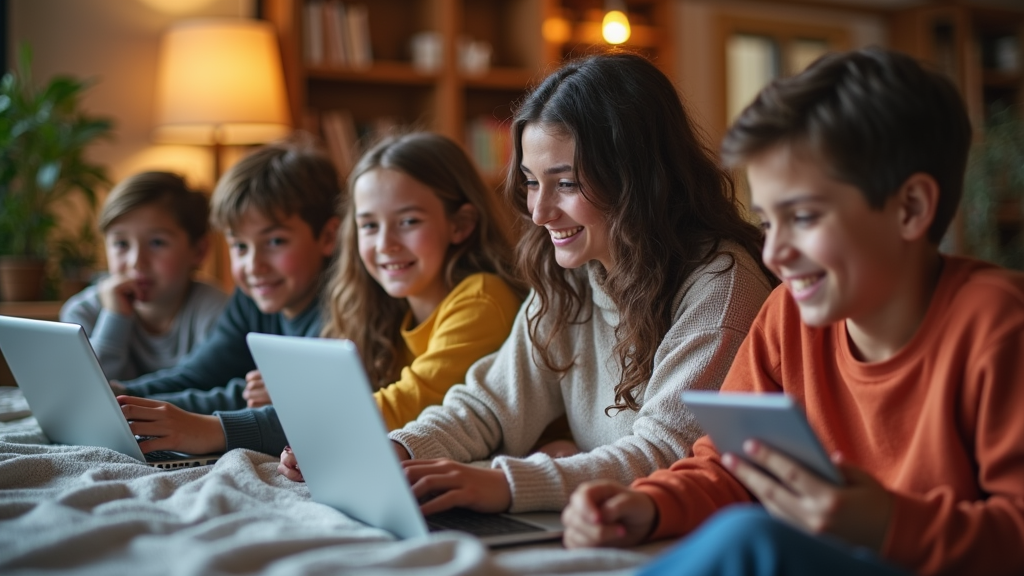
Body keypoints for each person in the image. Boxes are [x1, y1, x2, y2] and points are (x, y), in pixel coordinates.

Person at [560, 47, 1024, 576]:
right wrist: (649, 505)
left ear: (911, 208)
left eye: (803, 217)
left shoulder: (998, 323)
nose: (775, 253)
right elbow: (730, 467)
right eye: (767, 221)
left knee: (751, 540)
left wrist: (889, 524)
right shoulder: (788, 317)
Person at [294, 51, 773, 516]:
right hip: (597, 521)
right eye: (530, 181)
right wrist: (394, 449)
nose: (539, 212)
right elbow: (489, 406)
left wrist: (505, 484)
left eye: (565, 183)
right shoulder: (575, 276)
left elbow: (667, 454)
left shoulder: (721, 287)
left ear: (637, 179)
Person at [115, 138, 341, 456]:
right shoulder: (253, 298)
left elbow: (322, 419)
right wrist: (123, 395)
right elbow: (201, 374)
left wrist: (210, 428)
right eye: (240, 246)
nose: (254, 266)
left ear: (328, 237)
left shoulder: (345, 311)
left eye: (275, 241)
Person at [60, 171, 228, 381]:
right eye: (121, 244)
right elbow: (84, 391)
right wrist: (115, 318)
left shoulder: (219, 313)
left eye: (157, 243)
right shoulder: (83, 314)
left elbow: (211, 389)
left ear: (199, 251)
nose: (136, 262)